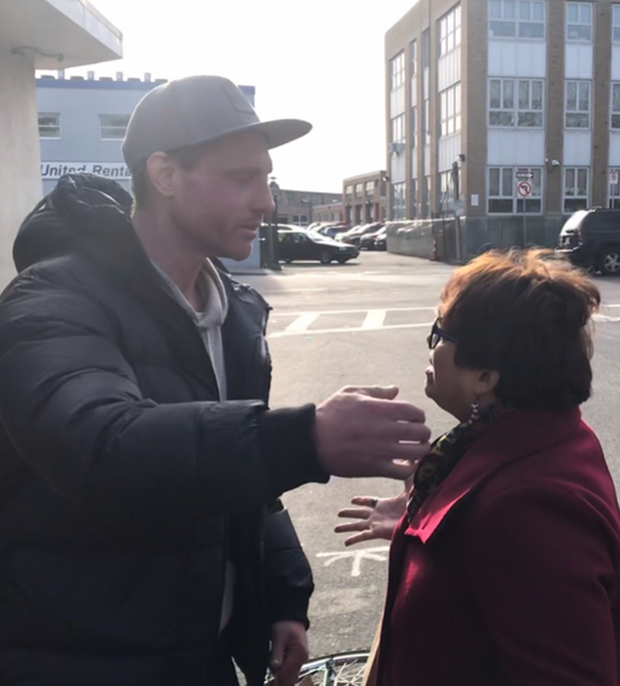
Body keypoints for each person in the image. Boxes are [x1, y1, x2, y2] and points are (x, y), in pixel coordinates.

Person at [0, 75, 431, 686]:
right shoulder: (52, 300)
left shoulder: (233, 313)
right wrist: (303, 439)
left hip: (200, 651)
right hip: (77, 658)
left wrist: (282, 596)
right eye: (241, 179)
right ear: (165, 175)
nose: (266, 202)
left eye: (267, 179)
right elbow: (99, 447)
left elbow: (239, 474)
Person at [336, 249, 620, 685]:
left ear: (486, 376)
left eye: (440, 333)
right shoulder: (525, 439)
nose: (430, 346)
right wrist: (418, 520)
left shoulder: (527, 508)